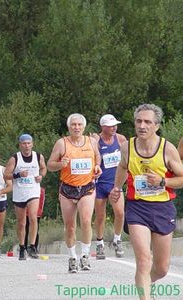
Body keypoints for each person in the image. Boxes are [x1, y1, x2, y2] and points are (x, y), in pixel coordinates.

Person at [109, 104, 183, 300]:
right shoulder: (127, 147)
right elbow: (122, 167)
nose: (142, 126)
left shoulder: (167, 149)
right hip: (137, 207)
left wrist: (163, 181)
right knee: (143, 261)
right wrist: (116, 188)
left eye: (147, 122)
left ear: (156, 126)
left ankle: (146, 285)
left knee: (161, 268)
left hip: (163, 208)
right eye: (138, 121)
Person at [47, 113, 102, 273]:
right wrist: (60, 164)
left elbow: (97, 158)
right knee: (70, 226)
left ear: (84, 127)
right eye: (73, 125)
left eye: (79, 125)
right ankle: (72, 257)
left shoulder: (91, 142)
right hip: (67, 189)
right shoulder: (61, 144)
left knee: (85, 221)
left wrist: (97, 167)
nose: (76, 127)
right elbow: (50, 165)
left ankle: (85, 256)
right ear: (69, 127)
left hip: (87, 188)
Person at [4, 134, 47, 260]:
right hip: (19, 192)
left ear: (32, 144)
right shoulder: (14, 158)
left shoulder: (38, 156)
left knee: (33, 217)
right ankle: (22, 247)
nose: (26, 146)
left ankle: (32, 246)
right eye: (24, 143)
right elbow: (6, 175)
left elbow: (43, 168)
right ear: (20, 145)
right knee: (21, 222)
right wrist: (18, 175)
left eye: (29, 143)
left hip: (33, 190)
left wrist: (41, 176)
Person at [93, 114, 127, 260]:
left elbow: (128, 158)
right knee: (100, 216)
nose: (114, 128)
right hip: (100, 183)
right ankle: (100, 243)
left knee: (120, 213)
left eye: (115, 125)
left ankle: (117, 239)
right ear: (103, 127)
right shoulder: (96, 140)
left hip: (115, 183)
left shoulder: (120, 139)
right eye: (110, 126)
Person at [24, 187, 45, 251]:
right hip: (29, 212)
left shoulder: (41, 190)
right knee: (27, 229)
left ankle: (33, 247)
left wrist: (39, 212)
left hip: (34, 213)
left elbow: (41, 202)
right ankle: (28, 247)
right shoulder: (25, 188)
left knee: (32, 229)